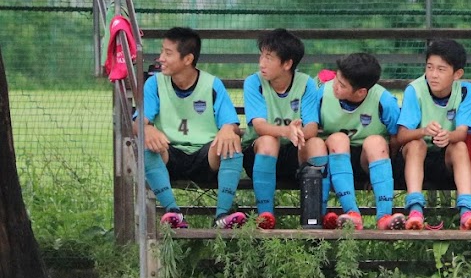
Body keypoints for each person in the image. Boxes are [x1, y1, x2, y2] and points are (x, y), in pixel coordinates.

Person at [144, 27, 247, 230]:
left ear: (188, 59)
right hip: (170, 155)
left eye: (168, 53)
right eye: (162, 51)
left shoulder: (212, 85)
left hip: (205, 158)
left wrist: (229, 129)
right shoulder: (154, 84)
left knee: (232, 143)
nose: (161, 58)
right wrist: (146, 129)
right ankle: (173, 213)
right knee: (146, 144)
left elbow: (232, 124)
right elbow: (139, 122)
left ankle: (222, 216)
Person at [302, 52, 401, 230]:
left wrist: (378, 174)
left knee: (376, 142)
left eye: (342, 85)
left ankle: (385, 217)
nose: (335, 86)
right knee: (338, 139)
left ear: (361, 91)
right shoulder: (323, 93)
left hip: (368, 162)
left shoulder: (384, 101)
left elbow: (395, 139)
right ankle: (352, 213)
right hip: (333, 160)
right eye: (336, 79)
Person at [391, 39, 471, 231]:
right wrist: (423, 131)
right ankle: (415, 210)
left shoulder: (465, 91)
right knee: (417, 144)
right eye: (429, 67)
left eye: (441, 69)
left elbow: (462, 133)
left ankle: (467, 210)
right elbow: (402, 136)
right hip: (413, 161)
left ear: (457, 74)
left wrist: (448, 136)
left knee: (459, 146)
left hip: (445, 161)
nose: (433, 74)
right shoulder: (415, 90)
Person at [242, 29, 321, 230]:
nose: (261, 63)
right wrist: (286, 131)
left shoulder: (306, 84)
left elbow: (312, 126)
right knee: (269, 140)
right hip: (259, 154)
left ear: (287, 64)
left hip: (294, 151)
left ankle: (316, 216)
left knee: (316, 143)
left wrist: (298, 132)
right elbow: (259, 126)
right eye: (261, 56)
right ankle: (265, 216)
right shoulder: (253, 82)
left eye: (268, 58)